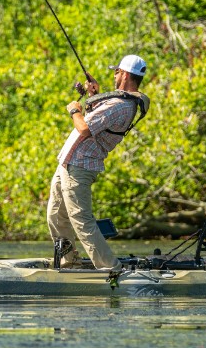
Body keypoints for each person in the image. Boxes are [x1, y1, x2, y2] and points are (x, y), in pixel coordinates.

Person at [46, 54, 149, 286]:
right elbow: (98, 119)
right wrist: (93, 95)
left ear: (124, 74)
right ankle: (69, 263)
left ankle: (111, 271)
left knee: (81, 220)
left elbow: (84, 128)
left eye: (116, 71)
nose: (114, 75)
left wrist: (75, 109)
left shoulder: (121, 106)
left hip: (80, 166)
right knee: (55, 215)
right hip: (69, 163)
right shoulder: (119, 101)